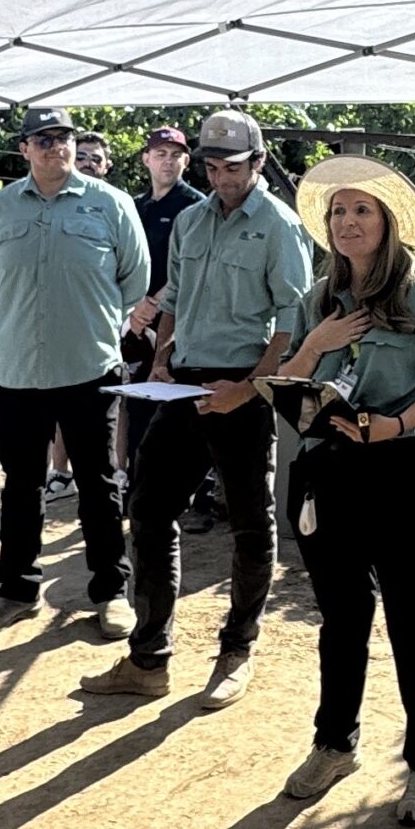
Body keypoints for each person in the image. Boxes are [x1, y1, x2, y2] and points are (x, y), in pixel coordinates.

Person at [264, 156, 415, 823]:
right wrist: (316, 343)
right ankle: (334, 744)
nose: (348, 221)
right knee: (342, 620)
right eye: (338, 211)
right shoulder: (314, 301)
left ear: (386, 222)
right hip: (330, 475)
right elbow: (288, 391)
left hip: (406, 472)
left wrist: (396, 425)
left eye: (362, 210)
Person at [83, 107, 312, 709]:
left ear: (259, 163)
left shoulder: (281, 228)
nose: (221, 177)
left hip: (241, 390)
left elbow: (294, 322)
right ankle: (149, 656)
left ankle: (237, 649)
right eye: (212, 166)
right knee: (150, 509)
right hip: (182, 385)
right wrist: (161, 358)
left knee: (249, 521)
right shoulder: (190, 221)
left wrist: (251, 388)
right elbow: (176, 299)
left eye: (233, 167)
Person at [0, 108, 146, 640]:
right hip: (17, 370)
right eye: (42, 139)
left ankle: (112, 593)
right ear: (24, 149)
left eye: (63, 138)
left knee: (98, 482)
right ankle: (17, 593)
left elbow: (133, 280)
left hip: (87, 366)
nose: (55, 147)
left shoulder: (111, 205)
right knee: (22, 485)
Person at [124, 123, 212, 517]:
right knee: (139, 403)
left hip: (177, 319)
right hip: (132, 323)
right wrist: (131, 310)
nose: (168, 160)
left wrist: (153, 305)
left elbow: (189, 269)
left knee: (186, 402)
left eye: (176, 154)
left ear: (186, 161)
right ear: (146, 158)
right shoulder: (134, 206)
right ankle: (140, 488)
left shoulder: (195, 207)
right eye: (160, 153)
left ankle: (198, 499)